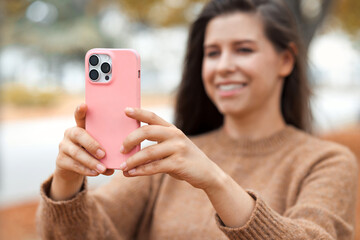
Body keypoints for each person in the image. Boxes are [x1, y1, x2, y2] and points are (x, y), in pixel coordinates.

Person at [36, 0, 358, 239]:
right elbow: (91, 232)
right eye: (213, 52)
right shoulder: (167, 159)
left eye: (243, 50)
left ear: (285, 60)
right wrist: (66, 183)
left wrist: (214, 181)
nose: (224, 66)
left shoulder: (327, 162)